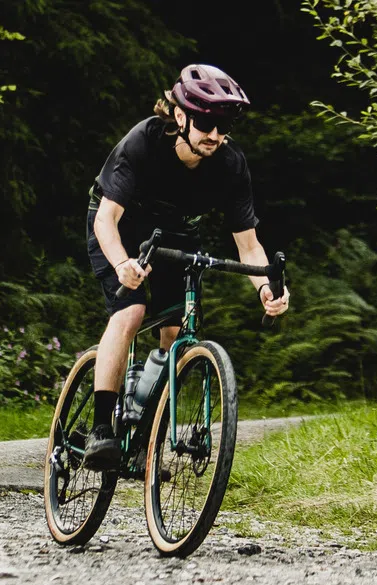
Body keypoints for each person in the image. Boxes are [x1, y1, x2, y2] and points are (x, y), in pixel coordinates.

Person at [82, 64, 290, 470]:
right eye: (206, 123)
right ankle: (101, 429)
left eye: (224, 125)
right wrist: (122, 263)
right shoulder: (143, 142)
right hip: (120, 227)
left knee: (174, 332)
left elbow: (248, 246)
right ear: (180, 116)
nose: (215, 135)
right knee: (131, 312)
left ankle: (141, 423)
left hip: (175, 237)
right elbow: (104, 220)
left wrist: (266, 288)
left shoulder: (230, 164)